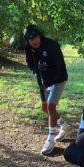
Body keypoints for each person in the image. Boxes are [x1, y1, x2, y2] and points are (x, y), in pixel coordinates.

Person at [24, 25, 71, 155]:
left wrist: (48, 82)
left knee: (50, 107)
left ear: (40, 35)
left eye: (36, 37)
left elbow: (58, 67)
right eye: (31, 39)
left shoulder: (52, 45)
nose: (34, 41)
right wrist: (35, 71)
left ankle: (50, 139)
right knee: (45, 108)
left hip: (58, 79)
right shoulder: (29, 48)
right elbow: (29, 62)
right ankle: (64, 126)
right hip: (43, 80)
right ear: (27, 40)